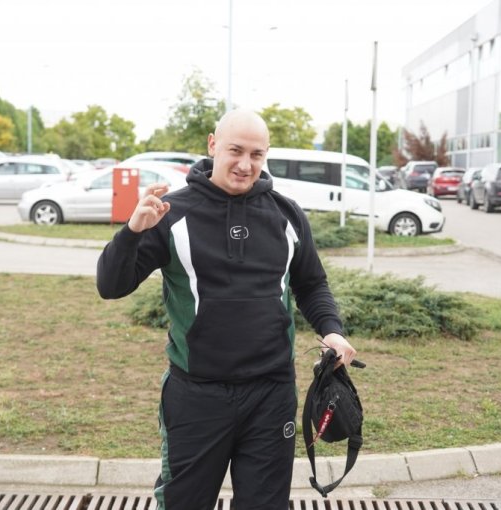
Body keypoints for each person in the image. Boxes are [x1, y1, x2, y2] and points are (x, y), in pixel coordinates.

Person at [96, 109, 357, 510]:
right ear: (212, 145)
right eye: (236, 151)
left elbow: (311, 283)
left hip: (271, 394)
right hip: (195, 394)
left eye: (257, 154)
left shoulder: (286, 215)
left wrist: (332, 330)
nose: (245, 164)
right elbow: (111, 286)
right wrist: (132, 233)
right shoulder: (170, 214)